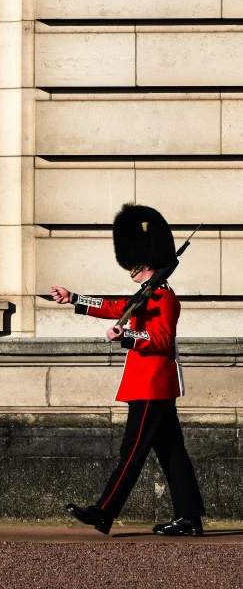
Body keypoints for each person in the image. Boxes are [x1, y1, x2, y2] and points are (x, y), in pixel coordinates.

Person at [51, 203, 205, 536]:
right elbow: (112, 306)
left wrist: (127, 336)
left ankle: (103, 512)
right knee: (171, 451)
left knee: (132, 450)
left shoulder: (164, 298)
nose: (128, 271)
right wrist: (73, 297)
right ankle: (190, 517)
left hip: (152, 385)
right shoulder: (145, 296)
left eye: (131, 266)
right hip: (150, 385)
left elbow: (161, 339)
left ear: (142, 263)